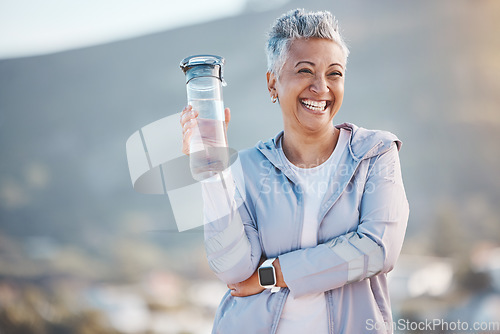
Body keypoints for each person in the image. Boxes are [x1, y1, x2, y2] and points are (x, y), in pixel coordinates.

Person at [180, 8, 409, 334]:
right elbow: (233, 269)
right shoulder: (246, 167)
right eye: (305, 70)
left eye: (334, 73)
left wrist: (272, 274)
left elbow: (377, 249)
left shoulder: (374, 154)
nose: (321, 87)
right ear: (273, 82)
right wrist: (214, 171)